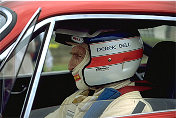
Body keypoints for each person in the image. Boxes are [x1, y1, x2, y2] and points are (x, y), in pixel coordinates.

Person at [45, 29, 153, 118]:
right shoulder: (81, 95)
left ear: (109, 59)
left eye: (78, 56)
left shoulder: (129, 108)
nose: (70, 66)